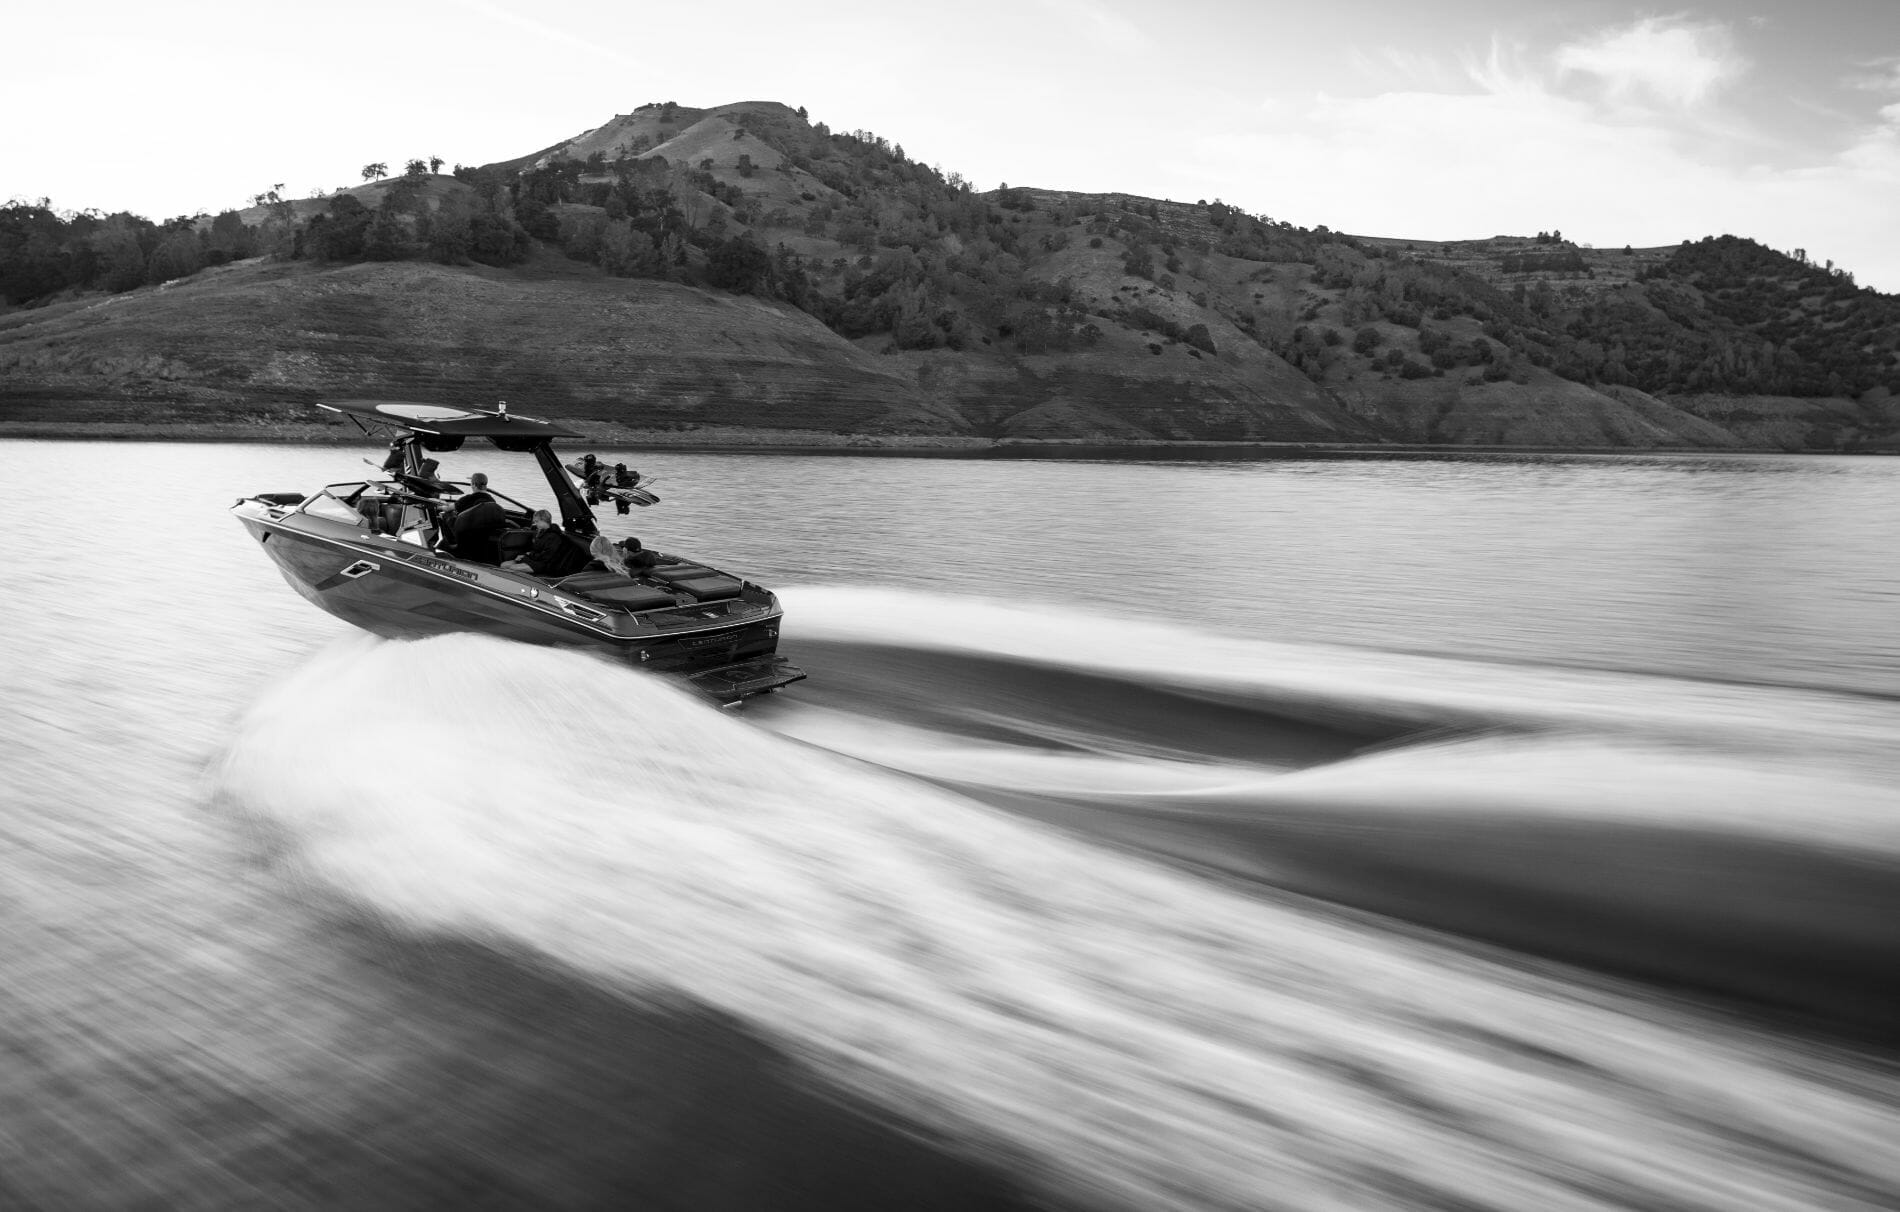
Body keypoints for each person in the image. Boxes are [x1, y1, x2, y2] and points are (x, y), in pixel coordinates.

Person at [502, 510, 590, 578]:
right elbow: (535, 550)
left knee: (511, 569)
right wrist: (525, 555)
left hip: (543, 564)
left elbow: (546, 557)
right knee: (503, 565)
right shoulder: (540, 533)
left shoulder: (554, 537)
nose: (535, 524)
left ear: (544, 521)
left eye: (537, 522)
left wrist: (528, 556)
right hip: (533, 560)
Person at [447, 471, 507, 564]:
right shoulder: (491, 500)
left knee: (446, 515)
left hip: (466, 536)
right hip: (482, 538)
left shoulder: (467, 499)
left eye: (471, 483)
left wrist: (437, 504)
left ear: (474, 484)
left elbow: (447, 508)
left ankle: (449, 545)